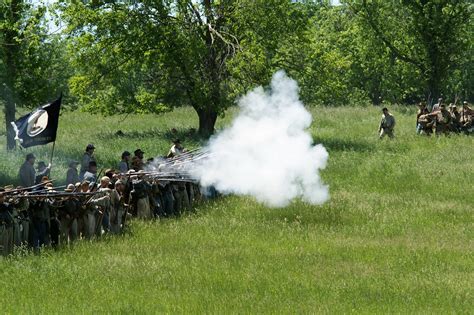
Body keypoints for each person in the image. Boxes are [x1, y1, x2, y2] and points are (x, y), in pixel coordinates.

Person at [0, 188, 14, 257]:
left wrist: (11, 202)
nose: (4, 198)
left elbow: (10, 209)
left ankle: (8, 257)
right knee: (3, 244)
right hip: (2, 227)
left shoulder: (4, 204)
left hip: (8, 225)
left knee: (8, 243)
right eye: (2, 197)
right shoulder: (2, 205)